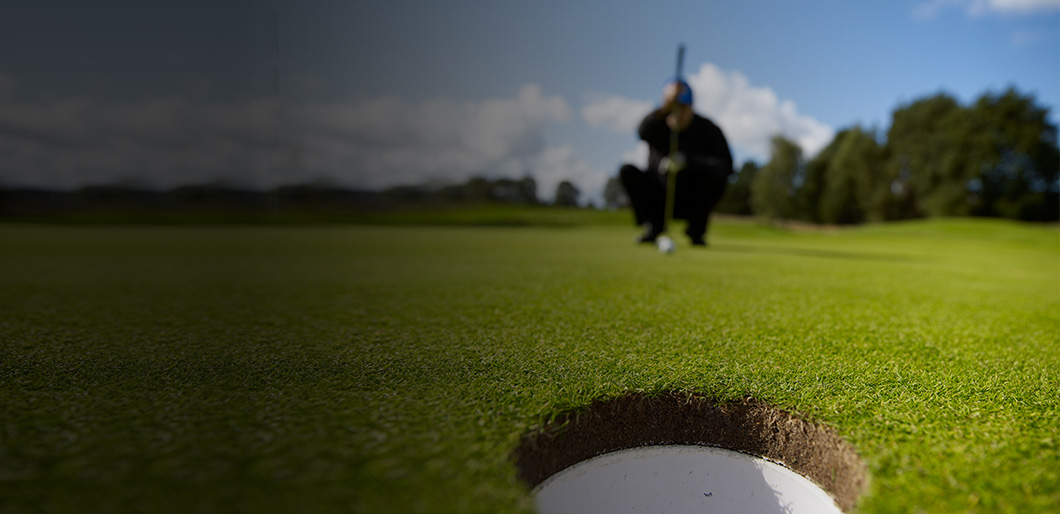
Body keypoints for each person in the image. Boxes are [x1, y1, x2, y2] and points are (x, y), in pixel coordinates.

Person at [619, 79, 733, 246]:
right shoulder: (658, 124)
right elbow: (642, 131)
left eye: (682, 108)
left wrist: (688, 161)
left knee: (717, 177)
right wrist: (665, 108)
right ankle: (654, 227)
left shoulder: (709, 129)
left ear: (691, 106)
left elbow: (726, 165)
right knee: (627, 171)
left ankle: (696, 231)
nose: (678, 113)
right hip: (658, 194)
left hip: (691, 199)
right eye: (673, 107)